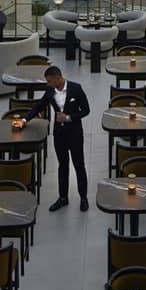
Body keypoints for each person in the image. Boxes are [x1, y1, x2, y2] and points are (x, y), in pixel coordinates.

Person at [21, 64, 91, 211]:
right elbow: (39, 106)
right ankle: (63, 197)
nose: (47, 84)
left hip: (75, 133)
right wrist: (24, 120)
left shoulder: (76, 89)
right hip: (59, 134)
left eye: (49, 81)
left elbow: (86, 110)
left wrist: (69, 118)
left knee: (79, 165)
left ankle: (83, 197)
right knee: (62, 165)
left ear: (57, 78)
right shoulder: (50, 90)